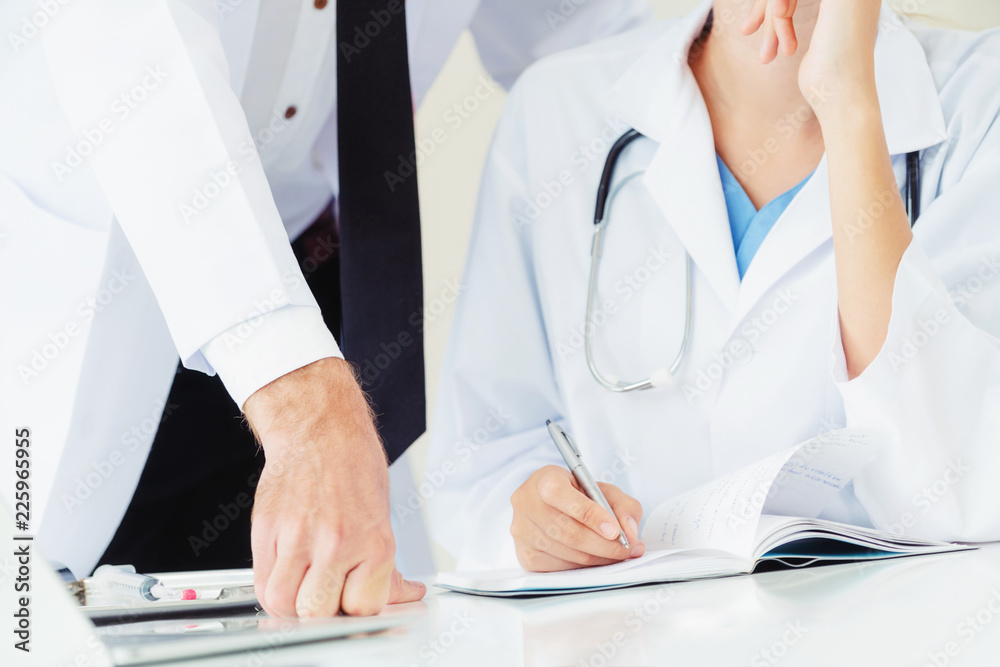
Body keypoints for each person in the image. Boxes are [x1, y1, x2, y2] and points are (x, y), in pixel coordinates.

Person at [0, 0, 653, 618]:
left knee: (337, 625)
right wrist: (306, 407)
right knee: (40, 620)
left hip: (315, 285)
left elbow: (597, 51)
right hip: (93, 298)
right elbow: (132, 56)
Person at [427, 0, 1000, 572]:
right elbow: (482, 466)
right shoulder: (555, 109)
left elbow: (959, 495)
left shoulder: (982, 98)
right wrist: (539, 528)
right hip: (629, 646)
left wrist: (846, 99)